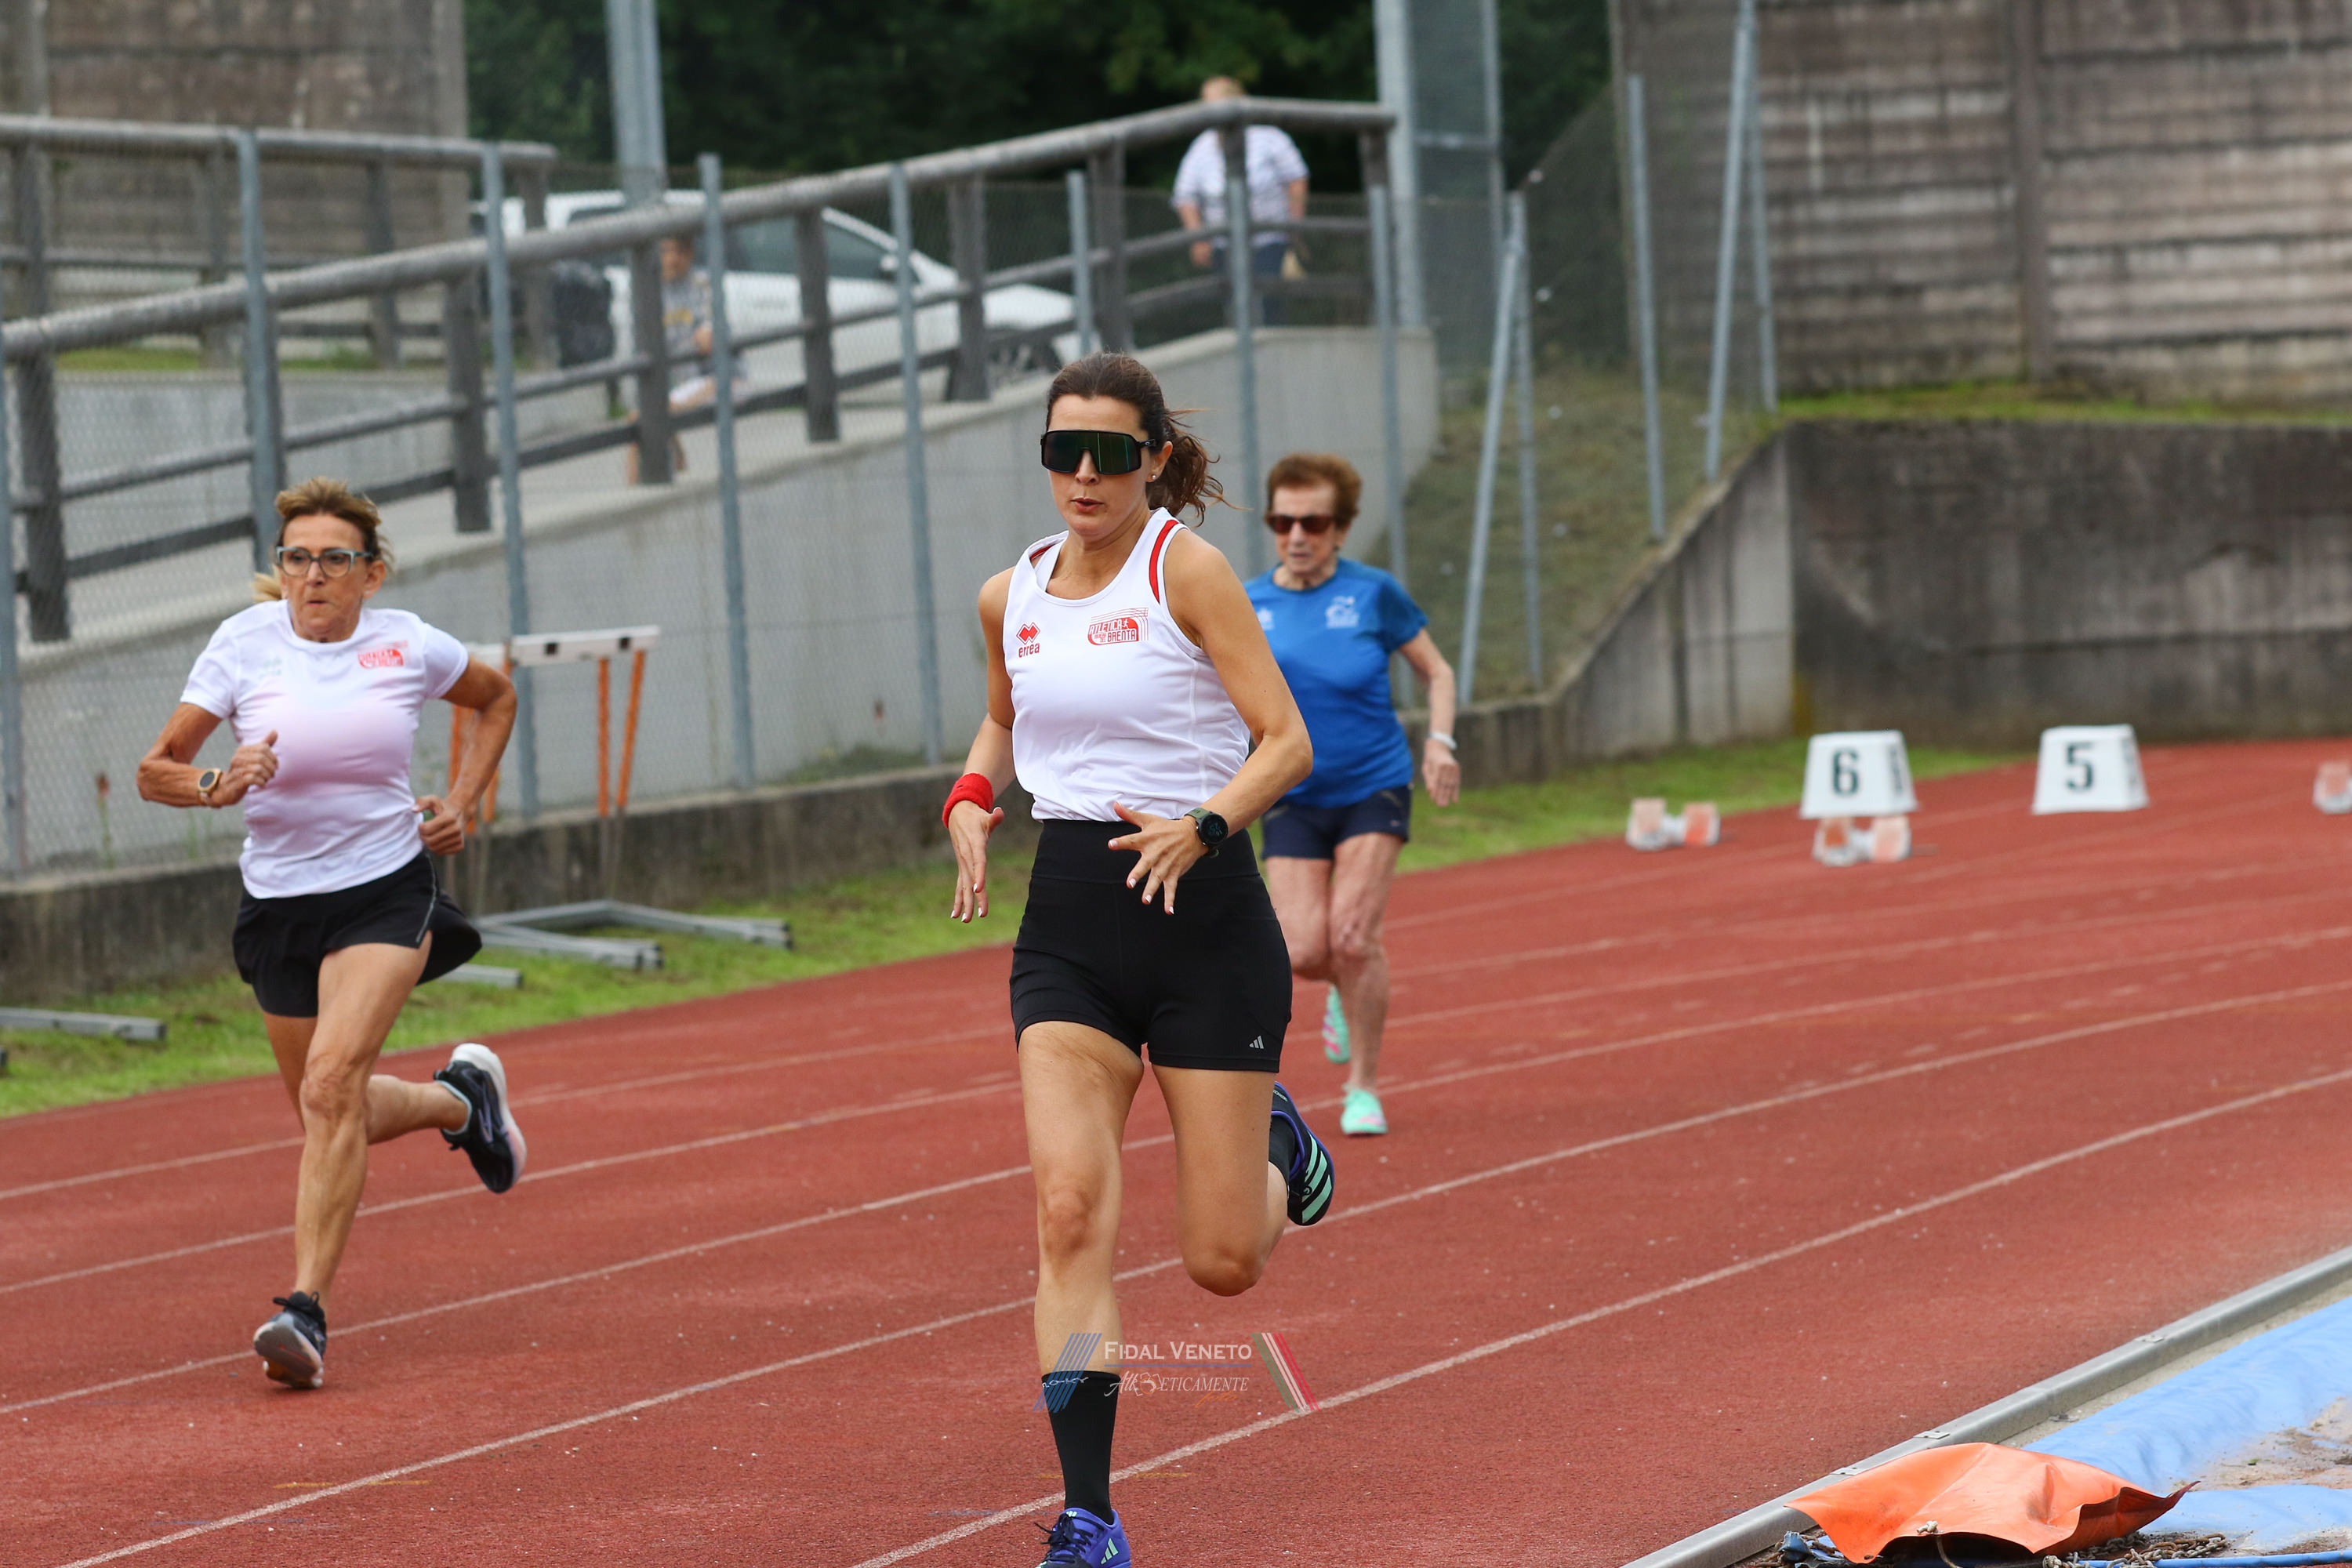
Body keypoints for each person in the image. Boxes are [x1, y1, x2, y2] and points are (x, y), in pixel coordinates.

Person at [944, 352, 1332, 1567]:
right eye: (1063, 451)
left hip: (1204, 916)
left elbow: (1286, 743)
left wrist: (1205, 824)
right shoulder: (1009, 593)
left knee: (1223, 1264)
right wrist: (970, 795)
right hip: (1069, 926)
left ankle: (1282, 1150)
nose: (1085, 475)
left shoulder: (1186, 570)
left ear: (1153, 458)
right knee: (1068, 1212)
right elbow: (1005, 718)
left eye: (1110, 453)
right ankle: (1090, 1516)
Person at [135, 477, 524, 1392]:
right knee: (328, 1109)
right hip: (278, 904)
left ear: (370, 573)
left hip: (386, 888)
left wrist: (462, 801)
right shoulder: (242, 643)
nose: (312, 575)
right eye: (297, 558)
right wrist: (216, 784)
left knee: (330, 1084)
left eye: (334, 559)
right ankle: (461, 1101)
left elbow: (496, 697)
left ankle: (303, 1310)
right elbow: (157, 769)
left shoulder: (407, 643)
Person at [1247, 453, 1460, 1139]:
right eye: (1283, 521)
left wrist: (1440, 743)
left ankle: (1362, 1087)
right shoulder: (1248, 603)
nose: (1296, 535)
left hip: (1373, 784)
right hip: (1291, 792)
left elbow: (1437, 672)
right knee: (1304, 951)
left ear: (1340, 529)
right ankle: (1343, 986)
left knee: (1352, 938)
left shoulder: (1373, 594)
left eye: (1313, 523)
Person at [1171, 76, 1308, 324]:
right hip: (1224, 245)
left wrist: (1294, 224)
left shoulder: (1269, 138)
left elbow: (1296, 177)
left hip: (1270, 239)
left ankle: (1267, 342)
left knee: (1269, 304)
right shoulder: (1201, 147)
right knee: (1233, 307)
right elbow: (1185, 195)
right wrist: (1199, 238)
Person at [626, 232, 716, 483]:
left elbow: (708, 332)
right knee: (649, 411)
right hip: (670, 383)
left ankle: (633, 491)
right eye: (665, 252)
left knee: (640, 418)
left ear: (690, 254)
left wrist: (707, 330)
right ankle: (678, 461)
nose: (672, 259)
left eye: (679, 252)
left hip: (707, 379)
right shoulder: (649, 290)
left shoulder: (701, 285)